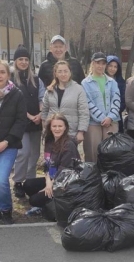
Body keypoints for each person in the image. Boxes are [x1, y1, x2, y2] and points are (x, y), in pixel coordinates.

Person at [23, 113, 80, 213]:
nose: (57, 129)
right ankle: (47, 201)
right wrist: (48, 181)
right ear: (50, 127)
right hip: (52, 178)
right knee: (27, 184)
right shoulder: (49, 141)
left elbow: (64, 171)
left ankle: (53, 203)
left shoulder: (69, 145)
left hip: (65, 183)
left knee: (34, 200)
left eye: (60, 126)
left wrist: (51, 185)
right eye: (54, 126)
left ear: (65, 127)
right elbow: (47, 164)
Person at [11, 45, 46, 199]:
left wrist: (40, 114)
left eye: (26, 59)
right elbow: (13, 103)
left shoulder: (37, 79)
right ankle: (18, 181)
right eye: (20, 59)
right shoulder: (11, 80)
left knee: (34, 153)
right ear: (15, 61)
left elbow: (42, 98)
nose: (24, 62)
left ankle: (30, 181)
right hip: (20, 123)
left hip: (36, 123)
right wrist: (30, 116)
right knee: (23, 153)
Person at [0, 60, 27, 224]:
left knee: (2, 180)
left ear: (8, 75)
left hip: (9, 145)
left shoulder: (17, 94)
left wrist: (6, 141)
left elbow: (20, 121)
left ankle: (5, 208)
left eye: (2, 72)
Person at [81, 52, 121, 163]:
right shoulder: (85, 83)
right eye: (98, 63)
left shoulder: (112, 82)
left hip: (111, 122)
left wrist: (110, 117)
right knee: (93, 154)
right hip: (93, 123)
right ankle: (92, 177)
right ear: (93, 64)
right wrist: (102, 118)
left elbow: (116, 100)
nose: (100, 66)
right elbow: (87, 103)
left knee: (110, 153)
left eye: (103, 63)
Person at [41, 60, 89, 142]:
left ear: (70, 72)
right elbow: (44, 111)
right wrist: (45, 128)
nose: (63, 74)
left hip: (70, 132)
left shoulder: (78, 89)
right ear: (55, 73)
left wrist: (81, 131)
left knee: (68, 154)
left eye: (65, 71)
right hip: (52, 132)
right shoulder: (50, 90)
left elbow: (84, 112)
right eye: (60, 72)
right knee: (51, 155)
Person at [106, 55, 126, 132]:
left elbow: (123, 101)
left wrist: (112, 115)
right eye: (110, 66)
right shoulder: (100, 80)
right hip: (100, 117)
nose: (112, 69)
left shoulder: (121, 82)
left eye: (115, 67)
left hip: (116, 117)